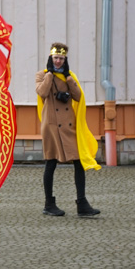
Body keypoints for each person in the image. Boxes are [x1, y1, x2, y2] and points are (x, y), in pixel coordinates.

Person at [35, 43, 101, 217]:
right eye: (55, 58)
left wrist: (68, 78)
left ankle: (82, 204)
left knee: (79, 161)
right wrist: (50, 74)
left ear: (65, 59)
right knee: (51, 162)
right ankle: (49, 204)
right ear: (51, 58)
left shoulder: (70, 76)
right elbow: (41, 93)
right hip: (51, 126)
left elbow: (78, 97)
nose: (58, 61)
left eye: (61, 58)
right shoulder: (42, 75)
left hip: (69, 126)